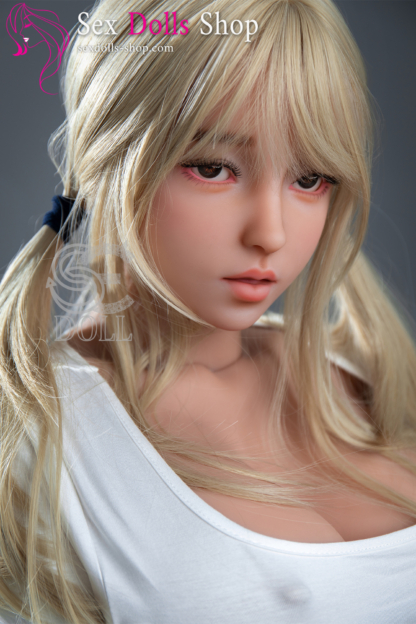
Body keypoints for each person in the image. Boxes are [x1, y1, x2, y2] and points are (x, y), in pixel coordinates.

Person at [1, 0, 416, 622]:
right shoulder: (31, 437)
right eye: (213, 168)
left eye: (310, 179)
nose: (270, 233)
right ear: (108, 156)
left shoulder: (368, 379)